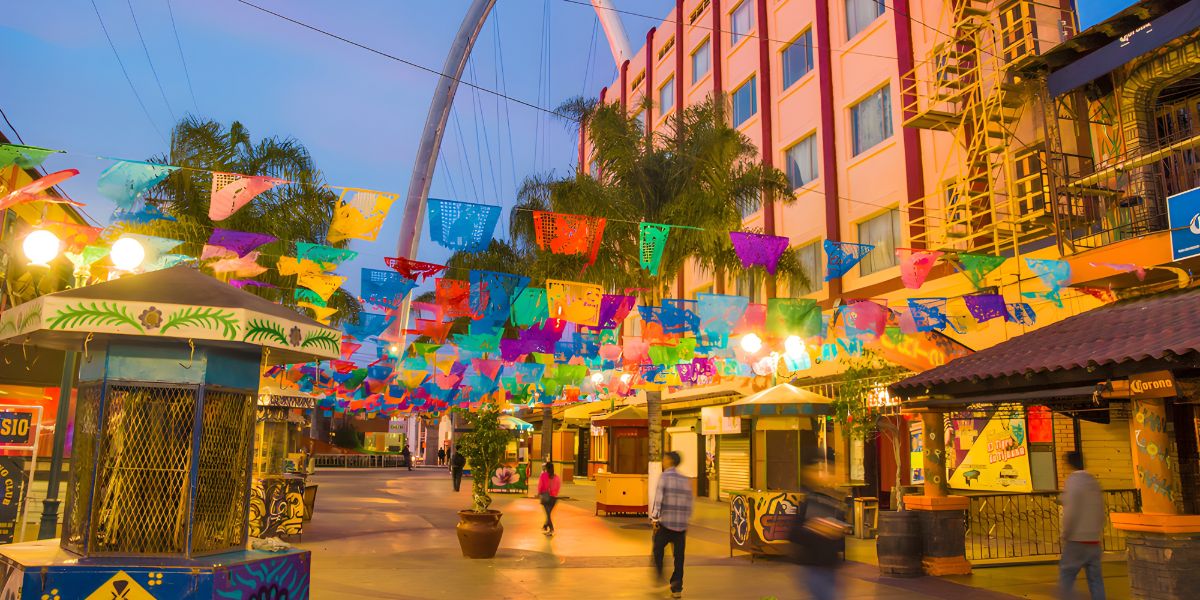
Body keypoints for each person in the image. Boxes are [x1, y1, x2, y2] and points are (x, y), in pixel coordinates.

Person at [789, 453, 849, 600]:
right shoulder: (808, 500)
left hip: (830, 569)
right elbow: (793, 533)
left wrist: (838, 531)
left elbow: (841, 542)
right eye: (818, 470)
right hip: (814, 569)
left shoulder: (835, 501)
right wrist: (815, 528)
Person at [1059, 450, 1106, 600]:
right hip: (1094, 540)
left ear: (1069, 464)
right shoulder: (1093, 481)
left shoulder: (1073, 482)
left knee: (1067, 576)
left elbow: (1071, 511)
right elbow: (1101, 510)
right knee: (1096, 580)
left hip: (1076, 540)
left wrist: (1065, 532)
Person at [651, 451, 693, 599]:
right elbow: (689, 502)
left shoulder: (664, 477)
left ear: (669, 460)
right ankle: (677, 588)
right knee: (679, 558)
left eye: (664, 459)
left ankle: (660, 577)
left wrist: (655, 518)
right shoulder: (684, 479)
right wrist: (685, 520)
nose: (663, 461)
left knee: (657, 549)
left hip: (666, 524)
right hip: (681, 526)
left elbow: (659, 499)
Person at [538, 463, 561, 536]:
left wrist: (539, 493)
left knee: (548, 515)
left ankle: (551, 529)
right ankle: (545, 525)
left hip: (546, 497)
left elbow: (541, 485)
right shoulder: (557, 477)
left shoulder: (544, 475)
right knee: (548, 514)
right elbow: (558, 487)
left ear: (546, 468)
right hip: (554, 498)